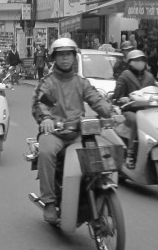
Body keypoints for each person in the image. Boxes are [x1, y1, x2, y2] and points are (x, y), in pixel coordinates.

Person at [31, 38, 115, 225]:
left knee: (99, 154)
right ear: (54, 58)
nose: (65, 59)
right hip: (55, 133)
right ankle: (50, 201)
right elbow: (40, 104)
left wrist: (111, 112)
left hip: (79, 133)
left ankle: (91, 191)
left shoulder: (81, 82)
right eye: (60, 55)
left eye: (68, 54)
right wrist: (46, 119)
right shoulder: (48, 83)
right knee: (46, 152)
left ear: (74, 57)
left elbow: (96, 100)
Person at [113, 49, 157, 165]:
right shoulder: (125, 76)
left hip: (147, 110)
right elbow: (117, 95)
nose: (139, 62)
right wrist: (122, 98)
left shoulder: (149, 77)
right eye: (136, 60)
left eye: (141, 60)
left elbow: (156, 90)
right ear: (130, 62)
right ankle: (131, 153)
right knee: (136, 120)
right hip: (129, 110)